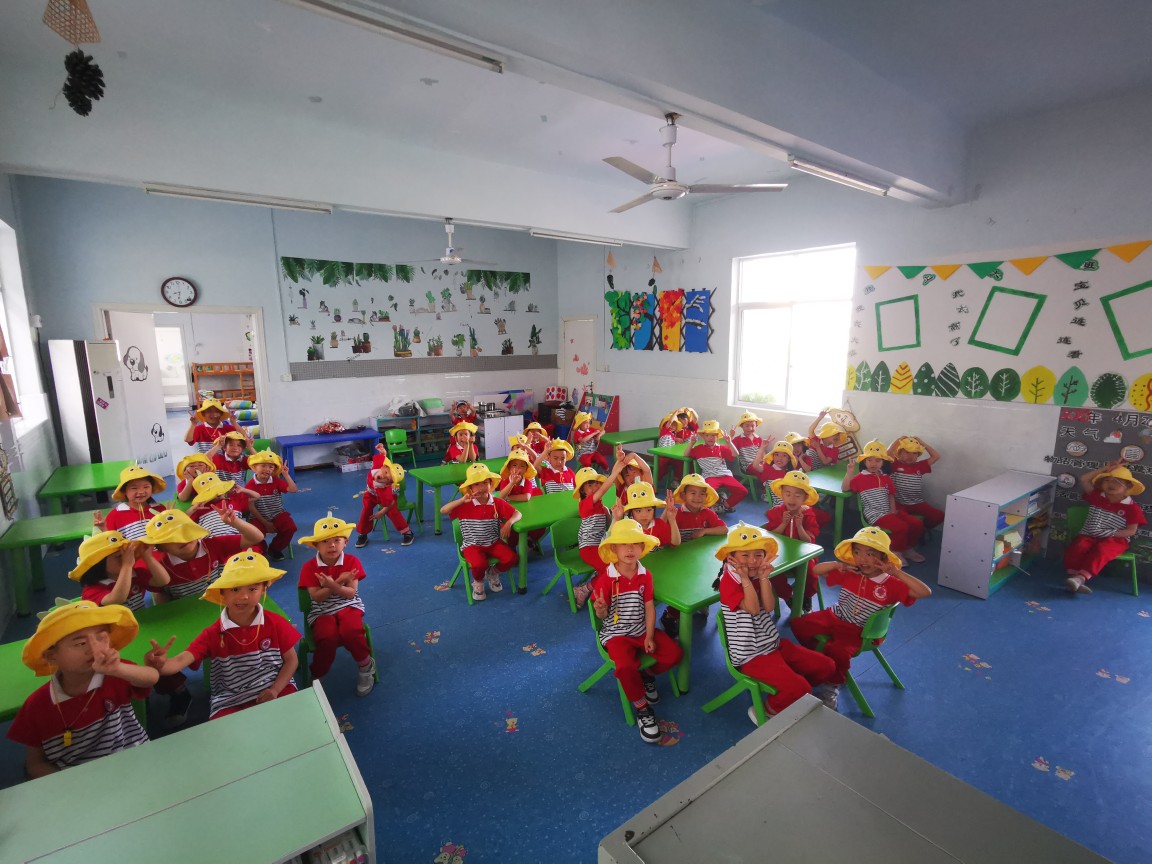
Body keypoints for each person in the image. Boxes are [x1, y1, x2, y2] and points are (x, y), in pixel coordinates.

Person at [7, 600, 157, 778]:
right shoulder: (37, 705)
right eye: (80, 643)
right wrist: (71, 784)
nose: (93, 649)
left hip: (134, 761)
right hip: (77, 779)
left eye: (101, 638)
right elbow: (35, 763)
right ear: (51, 656)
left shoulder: (115, 673)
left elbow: (151, 677)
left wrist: (118, 669)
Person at [144, 551, 300, 719]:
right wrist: (160, 665)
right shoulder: (213, 633)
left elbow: (291, 660)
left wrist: (275, 690)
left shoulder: (276, 622)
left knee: (294, 719)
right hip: (229, 699)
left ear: (264, 589)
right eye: (235, 589)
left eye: (253, 588)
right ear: (222, 593)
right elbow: (181, 660)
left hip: (275, 687)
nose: (244, 596)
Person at [790, 526, 931, 709]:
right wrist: (837, 565)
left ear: (883, 557)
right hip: (835, 616)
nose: (862, 559)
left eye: (870, 554)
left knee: (838, 651)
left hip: (859, 631)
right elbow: (817, 570)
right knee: (799, 624)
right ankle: (821, 662)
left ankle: (831, 687)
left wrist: (897, 572)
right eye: (857, 552)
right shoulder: (851, 572)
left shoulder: (892, 583)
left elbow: (925, 592)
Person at [715, 523, 837, 722]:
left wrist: (764, 578)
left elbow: (769, 606)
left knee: (827, 666)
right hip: (750, 656)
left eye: (758, 555)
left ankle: (794, 692)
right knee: (801, 687)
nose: (752, 561)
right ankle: (766, 710)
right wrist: (746, 579)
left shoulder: (757, 574)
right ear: (732, 557)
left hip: (773, 644)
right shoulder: (729, 581)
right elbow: (754, 608)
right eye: (745, 555)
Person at [588, 519, 683, 743]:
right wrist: (600, 610)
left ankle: (646, 675)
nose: (630, 549)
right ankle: (642, 708)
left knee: (675, 654)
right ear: (614, 548)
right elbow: (602, 616)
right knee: (625, 667)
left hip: (641, 630)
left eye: (635, 544)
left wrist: (649, 635)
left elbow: (649, 607)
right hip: (616, 635)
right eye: (624, 544)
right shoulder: (606, 579)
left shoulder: (645, 574)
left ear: (642, 548)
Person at [297, 514, 377, 695]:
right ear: (316, 545)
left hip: (349, 605)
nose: (332, 545)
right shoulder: (309, 567)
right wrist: (339, 582)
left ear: (345, 542)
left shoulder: (352, 561)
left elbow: (351, 593)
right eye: (325, 541)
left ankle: (366, 666)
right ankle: (318, 674)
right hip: (322, 610)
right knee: (326, 637)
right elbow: (317, 598)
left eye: (336, 540)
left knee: (351, 631)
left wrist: (332, 585)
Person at [1063, 460, 1147, 594]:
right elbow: (1084, 479)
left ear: (1128, 486)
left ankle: (1080, 578)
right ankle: (1074, 578)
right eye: (1107, 480)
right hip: (1089, 534)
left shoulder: (1132, 508)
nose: (1111, 484)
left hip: (1115, 539)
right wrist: (1106, 468)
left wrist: (1109, 533)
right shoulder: (1097, 496)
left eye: (1117, 482)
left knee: (1102, 550)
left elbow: (1131, 531)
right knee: (1079, 546)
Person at [441, 463, 521, 601]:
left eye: (485, 483)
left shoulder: (496, 502)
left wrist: (509, 523)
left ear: (491, 484)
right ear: (470, 488)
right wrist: (461, 500)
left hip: (494, 542)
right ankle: (478, 582)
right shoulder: (464, 504)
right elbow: (443, 510)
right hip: (472, 545)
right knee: (479, 564)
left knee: (512, 558)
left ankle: (492, 572)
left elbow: (517, 513)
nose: (482, 487)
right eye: (477, 484)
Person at [844, 439, 926, 563]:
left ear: (883, 462)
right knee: (902, 527)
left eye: (878, 460)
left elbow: (891, 494)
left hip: (889, 511)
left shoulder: (885, 477)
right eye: (869, 460)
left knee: (917, 524)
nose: (873, 464)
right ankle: (895, 551)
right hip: (875, 514)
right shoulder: (859, 478)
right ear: (864, 461)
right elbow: (845, 488)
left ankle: (907, 548)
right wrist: (849, 472)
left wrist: (893, 509)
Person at [68, 530, 170, 610]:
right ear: (99, 564)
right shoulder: (92, 590)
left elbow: (163, 581)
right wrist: (126, 566)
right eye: (118, 556)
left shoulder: (135, 574)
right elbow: (117, 599)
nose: (126, 558)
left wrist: (147, 557)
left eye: (126, 554)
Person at [764, 470, 821, 612]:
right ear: (782, 495)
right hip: (780, 554)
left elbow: (809, 541)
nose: (792, 499)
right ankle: (787, 596)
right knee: (772, 571)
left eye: (797, 495)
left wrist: (800, 526)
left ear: (804, 497)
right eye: (788, 494)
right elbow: (770, 537)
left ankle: (806, 595)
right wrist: (783, 524)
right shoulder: (776, 512)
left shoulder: (808, 514)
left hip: (803, 555)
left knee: (811, 571)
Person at [244, 450, 299, 561]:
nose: (267, 469)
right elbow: (251, 507)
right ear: (254, 468)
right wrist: (266, 523)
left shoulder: (276, 481)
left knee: (290, 528)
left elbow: (293, 489)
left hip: (277, 514)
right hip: (258, 517)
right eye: (263, 466)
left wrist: (286, 475)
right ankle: (262, 550)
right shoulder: (250, 485)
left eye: (271, 467)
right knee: (254, 534)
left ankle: (274, 549)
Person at [687, 420, 747, 513]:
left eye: (713, 435)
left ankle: (724, 505)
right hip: (710, 476)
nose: (710, 438)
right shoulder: (698, 449)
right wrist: (691, 443)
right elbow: (686, 454)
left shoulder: (720, 448)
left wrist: (729, 442)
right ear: (703, 436)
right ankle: (714, 505)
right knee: (707, 493)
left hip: (725, 475)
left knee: (743, 491)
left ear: (717, 436)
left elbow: (735, 454)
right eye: (707, 435)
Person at [887, 436, 944, 532]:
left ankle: (923, 529)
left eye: (915, 453)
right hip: (899, 503)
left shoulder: (920, 466)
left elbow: (936, 456)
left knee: (939, 516)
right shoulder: (895, 464)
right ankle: (915, 531)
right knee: (905, 523)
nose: (911, 456)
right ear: (899, 453)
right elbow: (888, 453)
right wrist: (898, 440)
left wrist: (923, 444)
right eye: (907, 452)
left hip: (916, 502)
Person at [355, 459, 415, 549]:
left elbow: (390, 503)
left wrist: (381, 512)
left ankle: (407, 533)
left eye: (387, 479)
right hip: (371, 495)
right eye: (386, 472)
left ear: (389, 483)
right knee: (366, 510)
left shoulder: (385, 489)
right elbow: (381, 457)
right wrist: (383, 452)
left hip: (387, 498)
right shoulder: (377, 467)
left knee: (393, 512)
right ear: (384, 467)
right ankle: (363, 533)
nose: (383, 477)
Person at [97, 465, 168, 540]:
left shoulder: (160, 509)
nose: (141, 491)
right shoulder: (114, 516)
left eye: (146, 487)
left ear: (152, 488)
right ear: (124, 490)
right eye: (134, 488)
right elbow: (110, 540)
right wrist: (103, 528)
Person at [497, 447, 545, 552]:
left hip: (526, 511)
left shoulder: (527, 482)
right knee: (512, 531)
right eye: (514, 465)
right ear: (509, 467)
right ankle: (512, 546)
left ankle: (530, 539)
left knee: (540, 527)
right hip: (510, 513)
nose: (518, 469)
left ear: (526, 469)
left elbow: (526, 497)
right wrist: (512, 483)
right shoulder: (506, 481)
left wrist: (509, 497)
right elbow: (501, 496)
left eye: (522, 466)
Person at [187, 472, 261, 539]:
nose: (217, 494)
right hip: (210, 541)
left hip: (235, 538)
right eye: (212, 492)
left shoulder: (234, 500)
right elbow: (183, 519)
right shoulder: (200, 507)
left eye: (218, 489)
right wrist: (192, 509)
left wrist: (243, 489)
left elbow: (256, 496)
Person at [616, 481, 680, 549]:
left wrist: (672, 520)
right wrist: (616, 519)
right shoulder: (627, 528)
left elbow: (675, 543)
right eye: (638, 511)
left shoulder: (660, 524)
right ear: (631, 512)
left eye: (649, 510)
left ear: (654, 510)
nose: (644, 515)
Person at [672, 473, 728, 542]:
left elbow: (724, 529)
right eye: (693, 493)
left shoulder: (708, 513)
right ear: (683, 496)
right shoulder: (675, 514)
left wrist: (704, 531)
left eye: (702, 494)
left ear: (706, 496)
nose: (698, 497)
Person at [655, 407, 697, 488]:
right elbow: (670, 422)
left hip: (670, 456)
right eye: (670, 424)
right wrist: (676, 412)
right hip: (663, 456)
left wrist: (677, 439)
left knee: (680, 463)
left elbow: (672, 439)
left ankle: (678, 480)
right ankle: (654, 482)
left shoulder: (672, 434)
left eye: (674, 425)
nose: (672, 426)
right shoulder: (665, 430)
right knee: (661, 471)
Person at [749, 441, 799, 508]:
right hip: (780, 504)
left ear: (789, 459)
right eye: (776, 455)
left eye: (784, 455)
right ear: (773, 456)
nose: (780, 458)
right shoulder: (767, 469)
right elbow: (755, 465)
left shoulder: (789, 472)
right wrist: (762, 448)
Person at [729, 411, 771, 480]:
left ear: (756, 426)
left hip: (759, 463)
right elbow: (728, 450)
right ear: (742, 426)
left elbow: (763, 452)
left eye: (752, 426)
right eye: (747, 426)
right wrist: (731, 436)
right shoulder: (738, 439)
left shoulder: (758, 439)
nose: (750, 428)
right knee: (765, 471)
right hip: (748, 466)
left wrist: (764, 460)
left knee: (771, 468)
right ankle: (765, 484)